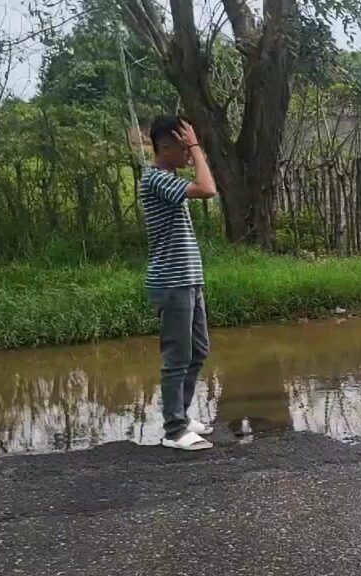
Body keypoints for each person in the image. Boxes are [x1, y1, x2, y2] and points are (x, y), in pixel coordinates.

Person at [143, 115, 218, 450]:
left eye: (190, 146)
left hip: (188, 280)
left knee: (198, 350)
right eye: (183, 146)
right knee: (177, 356)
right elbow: (208, 189)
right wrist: (198, 148)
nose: (188, 152)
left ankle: (182, 417)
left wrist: (193, 147)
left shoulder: (169, 179)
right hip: (172, 282)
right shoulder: (155, 179)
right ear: (164, 147)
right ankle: (174, 430)